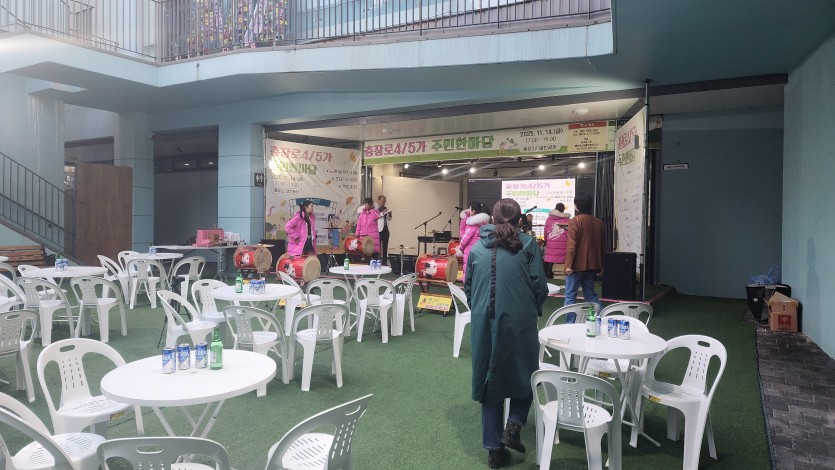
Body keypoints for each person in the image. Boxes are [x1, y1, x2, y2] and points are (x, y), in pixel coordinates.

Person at [464, 198, 548, 469]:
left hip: (484, 322)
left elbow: (468, 286)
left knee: (490, 380)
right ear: (520, 219)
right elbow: (539, 285)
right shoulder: (528, 244)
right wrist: (531, 309)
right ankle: (514, 425)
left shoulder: (477, 248)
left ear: (492, 218)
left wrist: (480, 310)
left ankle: (494, 451)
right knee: (527, 371)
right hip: (520, 320)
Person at [564, 192, 605, 312]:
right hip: (592, 265)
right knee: (590, 295)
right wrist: (602, 265)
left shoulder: (575, 221)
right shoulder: (599, 222)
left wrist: (569, 265)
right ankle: (602, 318)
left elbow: (572, 246)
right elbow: (602, 246)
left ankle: (570, 322)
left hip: (576, 266)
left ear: (577, 206)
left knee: (570, 297)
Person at [456, 201, 490, 278]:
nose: (468, 210)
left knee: (468, 273)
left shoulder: (472, 225)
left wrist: (460, 248)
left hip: (470, 251)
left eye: (470, 209)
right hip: (480, 252)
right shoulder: (484, 223)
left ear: (473, 211)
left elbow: (465, 238)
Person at [543, 203, 571, 278]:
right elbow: (569, 231)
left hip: (551, 240)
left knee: (550, 256)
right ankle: (566, 272)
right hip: (562, 241)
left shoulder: (549, 218)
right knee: (564, 256)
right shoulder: (566, 219)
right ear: (563, 209)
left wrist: (545, 239)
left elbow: (545, 230)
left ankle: (548, 272)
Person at [376, 195, 393, 265]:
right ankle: (378, 261)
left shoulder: (386, 208)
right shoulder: (376, 210)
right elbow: (377, 217)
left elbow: (389, 219)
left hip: (386, 229)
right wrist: (383, 212)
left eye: (385, 201)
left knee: (385, 247)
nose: (384, 203)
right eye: (383, 201)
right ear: (378, 201)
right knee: (378, 247)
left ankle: (385, 262)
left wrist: (390, 214)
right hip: (379, 230)